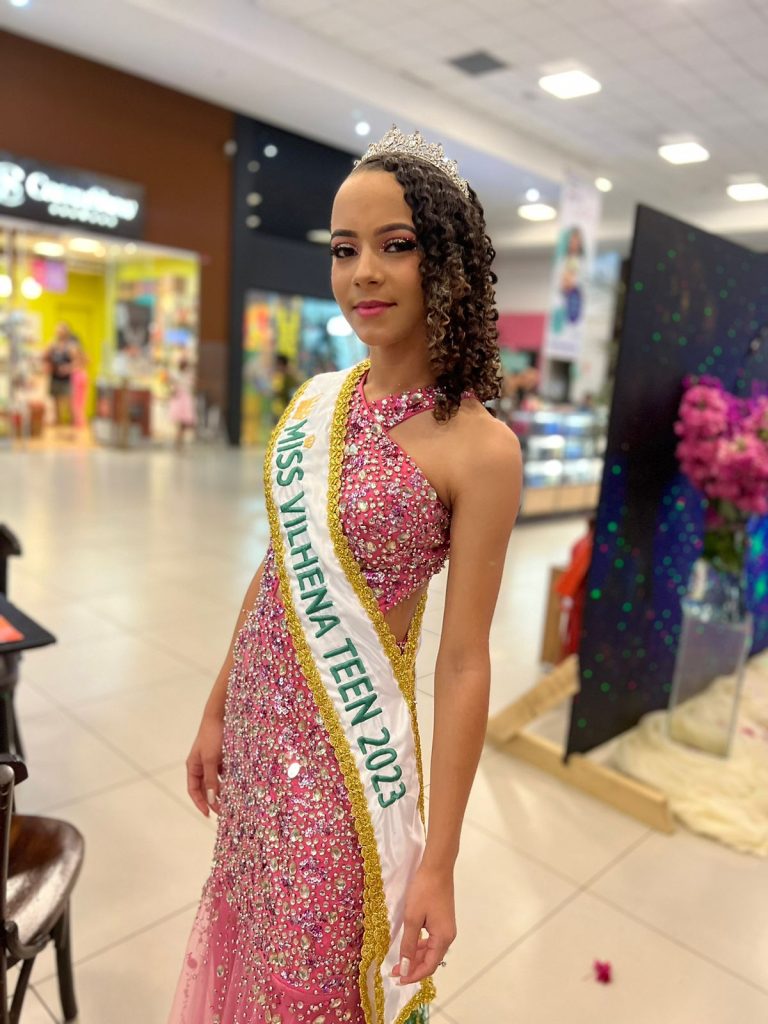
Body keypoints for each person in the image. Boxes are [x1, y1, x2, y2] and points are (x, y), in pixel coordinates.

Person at [169, 127, 522, 1024]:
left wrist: (440, 860)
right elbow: (279, 571)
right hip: (257, 740)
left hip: (344, 778)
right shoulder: (316, 401)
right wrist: (217, 707)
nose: (363, 272)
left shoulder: (480, 449)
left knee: (312, 984)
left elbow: (465, 663)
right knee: (246, 951)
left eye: (394, 246)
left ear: (445, 263)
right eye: (343, 249)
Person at [44, 323, 75, 426]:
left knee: (67, 402)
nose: (58, 333)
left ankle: (70, 423)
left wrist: (68, 368)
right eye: (57, 331)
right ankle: (58, 422)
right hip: (55, 376)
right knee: (55, 401)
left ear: (66, 333)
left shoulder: (70, 346)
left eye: (60, 331)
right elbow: (45, 356)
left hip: (66, 379)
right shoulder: (53, 344)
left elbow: (77, 362)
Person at [169, 356, 197, 449]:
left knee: (185, 422)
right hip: (178, 398)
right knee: (179, 422)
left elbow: (192, 385)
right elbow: (172, 387)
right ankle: (178, 440)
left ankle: (180, 439)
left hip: (185, 398)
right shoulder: (175, 374)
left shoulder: (189, 375)